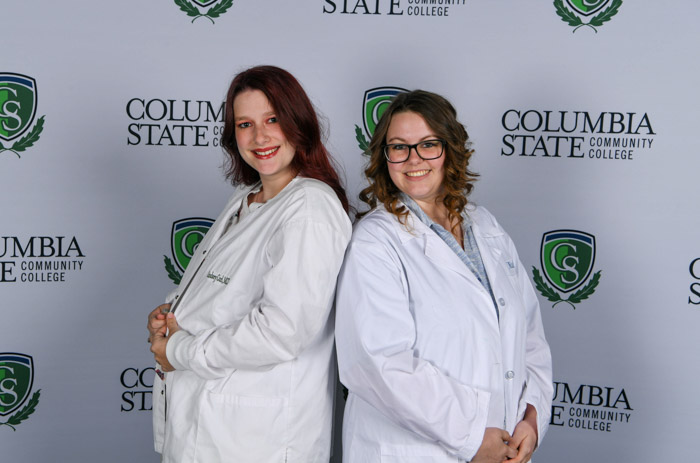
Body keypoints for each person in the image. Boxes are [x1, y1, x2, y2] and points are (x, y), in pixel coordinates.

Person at [147, 65, 352, 463]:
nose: (260, 137)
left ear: (299, 124)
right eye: (245, 124)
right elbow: (219, 291)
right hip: (204, 426)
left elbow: (282, 330)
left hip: (257, 440)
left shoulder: (309, 207)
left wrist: (180, 351)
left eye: (272, 119)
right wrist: (171, 311)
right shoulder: (246, 198)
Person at [335, 90, 552, 463]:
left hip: (505, 446)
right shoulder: (375, 240)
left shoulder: (486, 227)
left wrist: (531, 418)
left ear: (450, 149)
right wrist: (472, 436)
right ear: (384, 157)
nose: (413, 159)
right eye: (399, 147)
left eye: (428, 145)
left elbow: (530, 337)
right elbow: (378, 362)